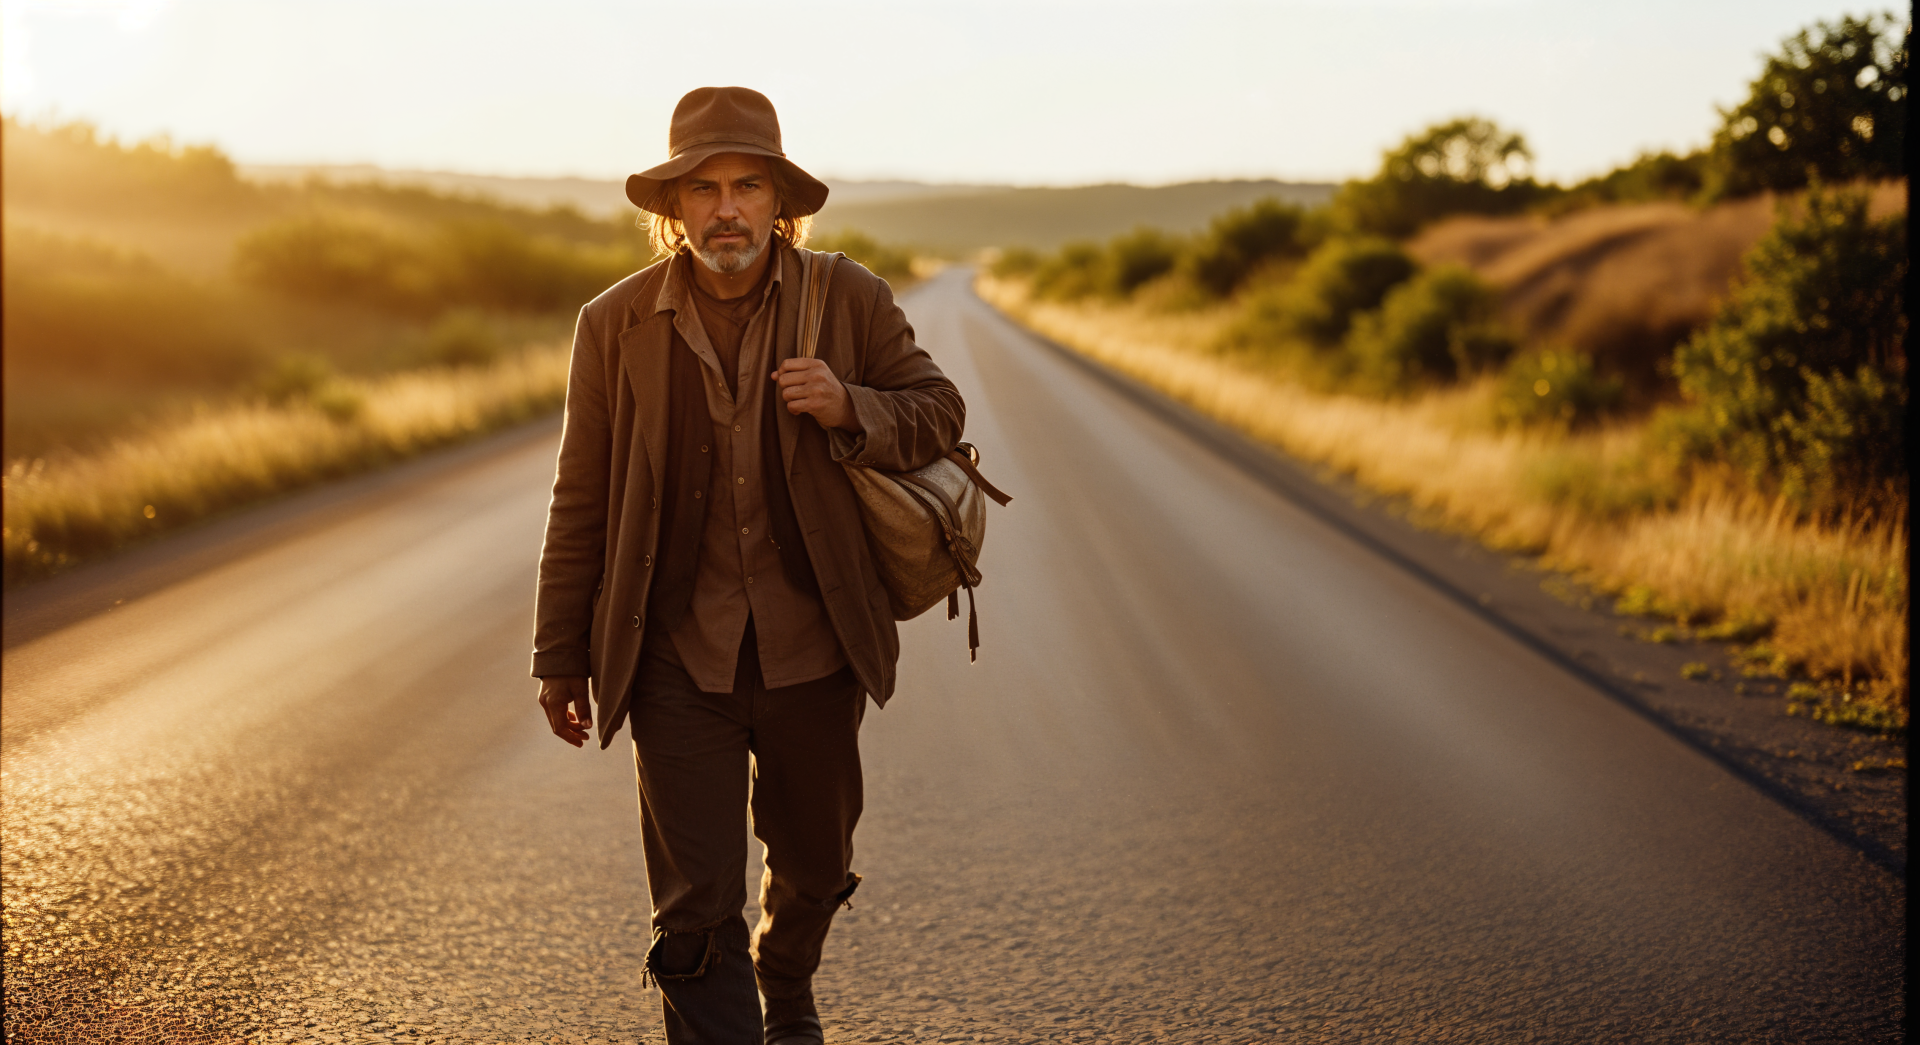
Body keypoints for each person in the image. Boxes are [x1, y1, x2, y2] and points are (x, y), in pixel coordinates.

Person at [529, 86, 965, 1045]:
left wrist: (852, 403)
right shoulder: (613, 324)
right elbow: (581, 495)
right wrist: (558, 650)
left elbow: (940, 410)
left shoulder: (847, 296)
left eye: (748, 186)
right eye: (705, 188)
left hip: (815, 646)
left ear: (781, 202)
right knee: (693, 908)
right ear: (673, 208)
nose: (727, 209)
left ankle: (790, 972)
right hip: (677, 659)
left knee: (815, 861)